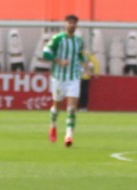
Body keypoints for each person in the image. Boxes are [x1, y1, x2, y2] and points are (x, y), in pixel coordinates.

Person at [42, 14, 89, 147]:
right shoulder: (58, 39)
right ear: (65, 24)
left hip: (74, 77)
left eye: (74, 23)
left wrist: (86, 67)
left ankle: (69, 135)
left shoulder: (79, 41)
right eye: (70, 23)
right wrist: (59, 61)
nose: (72, 25)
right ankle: (53, 125)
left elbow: (80, 55)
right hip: (59, 77)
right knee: (56, 106)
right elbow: (45, 52)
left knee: (72, 108)